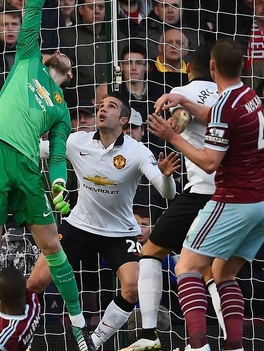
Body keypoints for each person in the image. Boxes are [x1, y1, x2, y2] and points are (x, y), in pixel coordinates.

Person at [0, 0, 93, 351]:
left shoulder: (61, 110)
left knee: (52, 244)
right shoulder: (27, 58)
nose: (55, 51)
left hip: (26, 166)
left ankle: (80, 327)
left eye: (63, 56)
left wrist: (58, 182)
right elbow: (34, 11)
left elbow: (57, 156)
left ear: (69, 73)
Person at [147, 39, 264, 351]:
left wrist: (172, 135)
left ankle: (198, 346)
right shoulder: (248, 95)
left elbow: (209, 163)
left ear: (212, 67)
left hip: (237, 201)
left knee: (186, 268)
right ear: (242, 66)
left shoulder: (227, 105)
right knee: (223, 273)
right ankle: (234, 346)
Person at [27, 91, 179, 350]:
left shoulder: (138, 151)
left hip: (120, 232)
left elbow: (168, 193)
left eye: (111, 106)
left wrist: (165, 175)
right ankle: (19, 338)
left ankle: (94, 343)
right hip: (79, 226)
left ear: (123, 120)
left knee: (132, 288)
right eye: (101, 105)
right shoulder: (77, 142)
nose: (102, 109)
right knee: (35, 282)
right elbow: (38, 150)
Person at [124, 43, 224, 351]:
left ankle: (149, 333)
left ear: (189, 66)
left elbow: (175, 124)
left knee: (150, 252)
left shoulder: (185, 92)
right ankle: (228, 338)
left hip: (200, 190)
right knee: (213, 271)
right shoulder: (234, 95)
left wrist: (168, 130)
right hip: (232, 194)